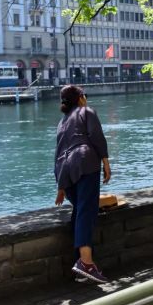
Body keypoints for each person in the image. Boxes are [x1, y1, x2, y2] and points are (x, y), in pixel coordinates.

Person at [54, 85, 112, 284]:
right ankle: (86, 263)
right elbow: (96, 137)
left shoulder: (62, 122)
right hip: (84, 162)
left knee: (79, 211)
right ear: (80, 98)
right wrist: (105, 162)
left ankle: (80, 264)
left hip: (64, 171)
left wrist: (61, 186)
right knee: (87, 211)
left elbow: (59, 153)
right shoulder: (86, 111)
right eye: (84, 96)